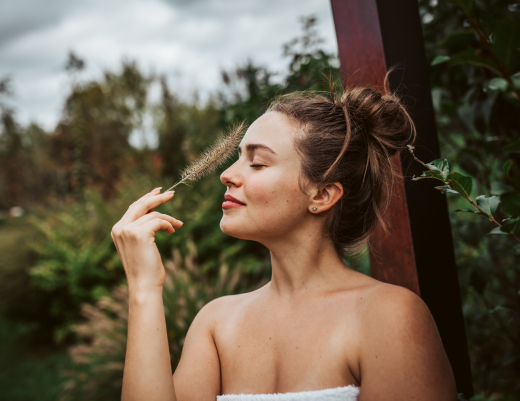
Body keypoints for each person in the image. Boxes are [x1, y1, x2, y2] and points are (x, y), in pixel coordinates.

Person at [110, 74, 458, 401]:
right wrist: (143, 288)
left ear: (321, 195)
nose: (227, 175)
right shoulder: (216, 323)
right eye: (236, 160)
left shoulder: (387, 316)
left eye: (257, 163)